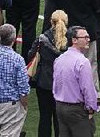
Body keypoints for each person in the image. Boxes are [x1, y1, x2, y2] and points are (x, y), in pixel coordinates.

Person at [52, 0, 100, 103]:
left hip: (66, 29)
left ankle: (69, 93)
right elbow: (97, 6)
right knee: (90, 63)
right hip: (86, 29)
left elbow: (56, 6)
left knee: (67, 63)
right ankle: (94, 94)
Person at [28, 9, 69, 137]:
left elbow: (31, 55)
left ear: (51, 21)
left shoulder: (42, 39)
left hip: (44, 83)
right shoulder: (70, 40)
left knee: (44, 117)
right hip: (63, 84)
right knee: (60, 119)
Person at [52, 25, 99, 136]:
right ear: (74, 40)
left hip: (60, 107)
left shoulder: (59, 59)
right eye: (85, 37)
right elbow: (87, 88)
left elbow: (56, 84)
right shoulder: (82, 62)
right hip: (77, 110)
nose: (88, 39)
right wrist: (92, 108)